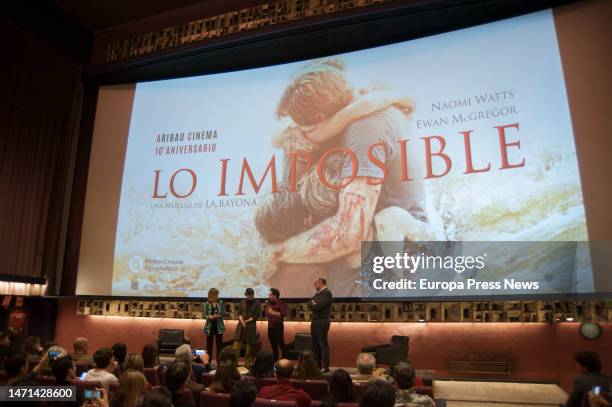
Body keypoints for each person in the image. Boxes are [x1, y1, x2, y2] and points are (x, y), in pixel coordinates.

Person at [261, 59, 429, 298]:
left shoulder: (365, 127)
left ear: (321, 117)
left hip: (392, 248)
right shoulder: (338, 120)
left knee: (300, 276)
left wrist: (277, 252)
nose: (301, 134)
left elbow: (350, 234)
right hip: (368, 241)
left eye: (307, 128)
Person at [233, 288, 260, 369]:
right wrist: (243, 322)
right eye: (249, 294)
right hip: (241, 326)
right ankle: (234, 365)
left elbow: (256, 316)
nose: (250, 296)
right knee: (235, 347)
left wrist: (247, 321)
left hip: (251, 326)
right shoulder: (242, 302)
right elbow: (239, 314)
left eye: (252, 294)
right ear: (246, 295)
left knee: (249, 349)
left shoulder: (257, 303)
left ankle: (247, 366)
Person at [309, 277, 332, 372]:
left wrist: (314, 303)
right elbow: (309, 303)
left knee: (323, 344)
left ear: (321, 283)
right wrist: (313, 303)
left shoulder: (327, 293)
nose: (315, 285)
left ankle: (325, 367)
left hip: (322, 321)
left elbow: (318, 306)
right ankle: (317, 366)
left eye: (316, 283)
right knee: (315, 345)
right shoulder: (318, 294)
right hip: (315, 321)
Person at [202, 288, 225, 364]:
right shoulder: (206, 304)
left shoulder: (221, 302)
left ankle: (219, 363)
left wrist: (217, 316)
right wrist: (209, 317)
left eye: (217, 295)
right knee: (209, 346)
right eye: (216, 294)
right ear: (211, 295)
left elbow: (223, 312)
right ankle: (208, 362)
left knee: (219, 346)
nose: (217, 296)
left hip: (219, 327)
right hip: (209, 327)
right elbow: (204, 315)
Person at [266, 288, 287, 361]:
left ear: (275, 296)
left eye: (270, 295)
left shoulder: (281, 303)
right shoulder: (269, 304)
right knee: (273, 346)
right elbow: (268, 313)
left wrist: (273, 313)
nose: (269, 296)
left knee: (281, 345)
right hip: (270, 327)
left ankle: (284, 362)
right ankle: (275, 362)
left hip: (278, 327)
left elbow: (284, 314)